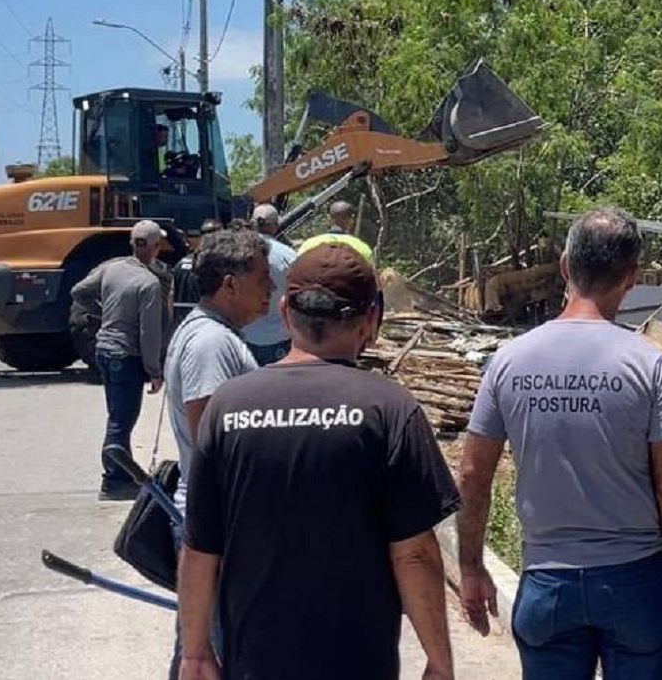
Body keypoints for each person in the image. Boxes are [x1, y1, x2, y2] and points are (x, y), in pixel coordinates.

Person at [178, 241, 460, 680]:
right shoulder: (389, 409)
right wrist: (439, 662)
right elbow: (414, 554)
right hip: (358, 663)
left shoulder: (228, 406)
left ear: (286, 312)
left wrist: (195, 651)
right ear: (371, 320)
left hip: (255, 662)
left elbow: (199, 549)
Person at [456, 207, 662, 680]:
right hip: (637, 587)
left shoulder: (509, 362)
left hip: (547, 587)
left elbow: (472, 475)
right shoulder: (651, 366)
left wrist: (470, 568)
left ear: (565, 266)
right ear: (632, 277)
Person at [164, 229, 271, 678]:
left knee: (202, 653)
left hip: (218, 522)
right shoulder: (212, 344)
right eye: (262, 278)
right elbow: (214, 441)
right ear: (230, 284)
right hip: (219, 526)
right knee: (210, 655)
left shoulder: (215, 334)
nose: (272, 288)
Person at [71, 220, 168, 500]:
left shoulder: (111, 268)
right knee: (121, 421)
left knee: (117, 415)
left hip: (104, 349)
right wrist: (154, 370)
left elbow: (78, 292)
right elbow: (149, 332)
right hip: (126, 355)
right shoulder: (148, 283)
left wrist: (102, 312)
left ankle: (122, 473)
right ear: (155, 248)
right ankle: (114, 480)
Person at [243, 204, 298, 365]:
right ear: (275, 226)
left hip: (244, 334)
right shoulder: (289, 255)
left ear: (252, 223)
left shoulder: (236, 252)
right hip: (278, 336)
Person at [171, 218, 223, 326]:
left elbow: (171, 296)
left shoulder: (179, 264)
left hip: (181, 324)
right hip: (203, 323)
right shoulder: (212, 267)